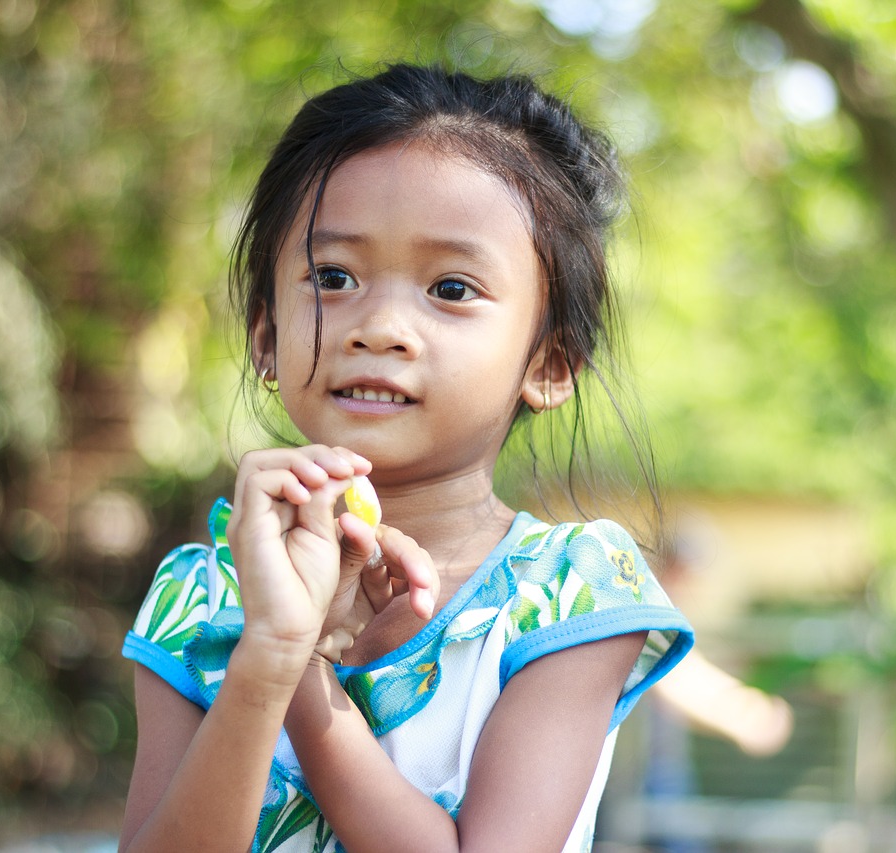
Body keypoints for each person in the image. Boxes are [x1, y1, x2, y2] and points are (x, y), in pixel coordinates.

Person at [118, 63, 694, 853]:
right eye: (333, 276)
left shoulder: (570, 591)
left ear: (550, 364)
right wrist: (267, 652)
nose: (380, 325)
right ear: (265, 337)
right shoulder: (200, 595)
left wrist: (306, 678)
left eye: (451, 288)